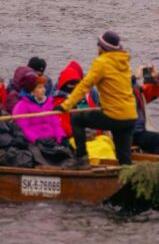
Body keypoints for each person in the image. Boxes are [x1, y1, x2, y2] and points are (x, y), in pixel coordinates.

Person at [53, 31, 138, 168]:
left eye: (98, 44)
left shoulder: (102, 62)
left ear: (102, 47)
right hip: (130, 116)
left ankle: (81, 158)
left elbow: (84, 86)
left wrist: (65, 106)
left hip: (113, 115)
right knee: (124, 158)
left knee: (76, 119)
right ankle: (126, 180)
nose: (97, 47)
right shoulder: (124, 62)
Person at [12, 74, 67, 144]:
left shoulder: (48, 103)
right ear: (31, 91)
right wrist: (37, 140)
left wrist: (61, 137)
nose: (44, 90)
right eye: (40, 87)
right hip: (35, 143)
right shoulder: (21, 106)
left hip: (52, 140)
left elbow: (56, 124)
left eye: (44, 87)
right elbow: (24, 129)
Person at [132, 65, 159, 155]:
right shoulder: (119, 86)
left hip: (138, 131)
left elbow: (151, 94)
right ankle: (155, 165)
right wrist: (135, 77)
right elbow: (120, 87)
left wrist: (153, 78)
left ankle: (151, 162)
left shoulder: (134, 87)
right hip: (125, 133)